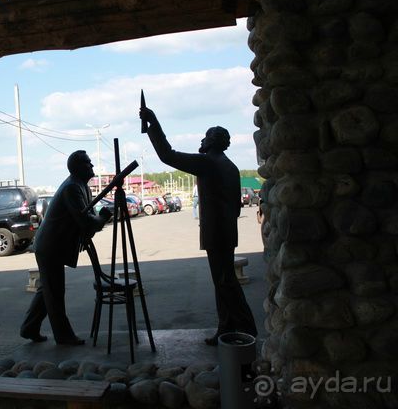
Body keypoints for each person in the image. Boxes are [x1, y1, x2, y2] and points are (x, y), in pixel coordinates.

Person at [139, 107, 257, 346]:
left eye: (205, 136)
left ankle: (246, 329)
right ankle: (227, 328)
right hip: (227, 231)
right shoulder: (231, 167)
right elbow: (236, 207)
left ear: (212, 141)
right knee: (223, 282)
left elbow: (167, 155)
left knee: (225, 283)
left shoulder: (208, 163)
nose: (201, 141)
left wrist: (153, 122)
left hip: (216, 232)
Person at [20, 150, 111, 345]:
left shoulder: (81, 186)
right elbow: (86, 221)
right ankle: (63, 335)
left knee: (48, 290)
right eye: (88, 163)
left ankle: (29, 328)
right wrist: (103, 217)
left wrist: (98, 219)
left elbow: (86, 221)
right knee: (55, 292)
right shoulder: (72, 188)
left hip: (52, 245)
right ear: (78, 167)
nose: (92, 166)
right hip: (50, 246)